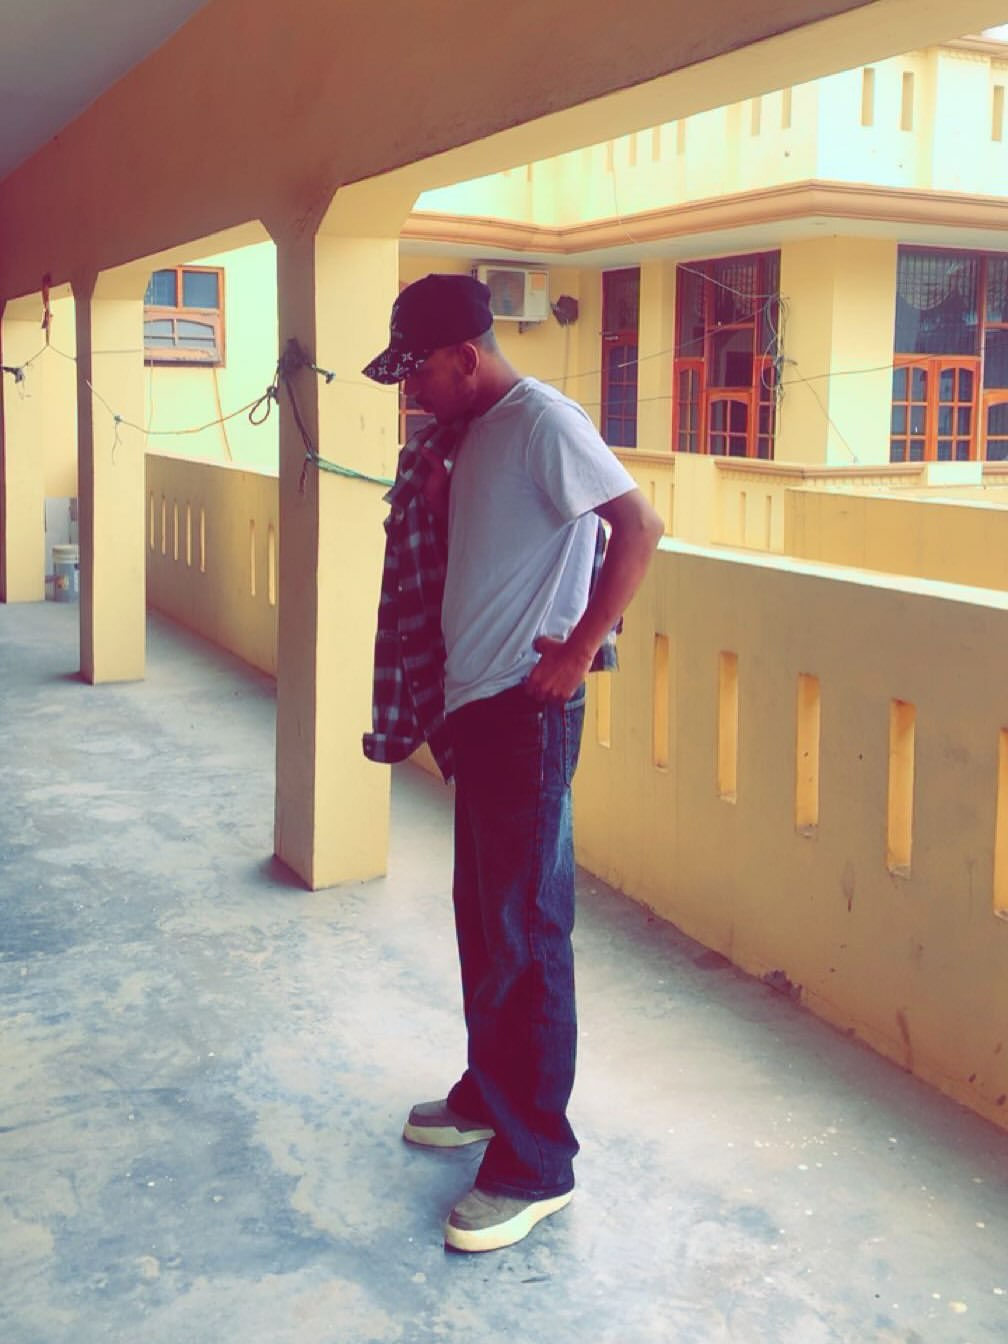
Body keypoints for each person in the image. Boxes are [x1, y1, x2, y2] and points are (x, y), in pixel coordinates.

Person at [362, 273, 663, 1253]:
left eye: (419, 374)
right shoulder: (473, 432)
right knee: (484, 918)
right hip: (478, 710)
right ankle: (490, 1095)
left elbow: (639, 526)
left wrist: (578, 649)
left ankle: (538, 1163)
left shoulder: (542, 421)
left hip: (527, 711)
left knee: (527, 931)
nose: (412, 394)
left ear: (466, 357)